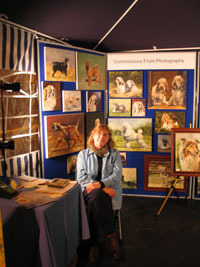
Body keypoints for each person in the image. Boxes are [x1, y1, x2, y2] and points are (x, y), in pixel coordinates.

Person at [76, 124, 122, 262]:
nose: (101, 137)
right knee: (96, 196)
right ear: (93, 135)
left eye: (105, 135)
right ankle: (111, 234)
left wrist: (100, 184)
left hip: (110, 192)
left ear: (108, 139)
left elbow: (117, 176)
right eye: (99, 133)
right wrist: (101, 188)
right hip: (90, 190)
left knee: (93, 203)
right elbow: (81, 178)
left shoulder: (115, 154)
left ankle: (93, 244)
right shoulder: (83, 155)